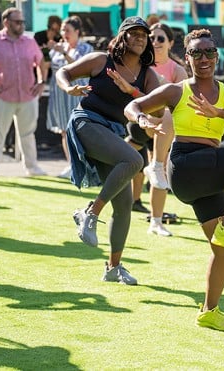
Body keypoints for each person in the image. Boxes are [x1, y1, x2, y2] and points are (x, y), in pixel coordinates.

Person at [124, 28, 224, 331]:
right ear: (186, 58)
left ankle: (210, 311)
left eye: (209, 52)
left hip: (205, 175)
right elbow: (132, 106)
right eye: (196, 53)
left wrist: (221, 113)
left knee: (222, 250)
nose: (204, 58)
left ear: (217, 56)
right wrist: (142, 119)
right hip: (186, 164)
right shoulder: (177, 90)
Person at [56, 16, 160, 285]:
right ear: (122, 36)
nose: (140, 38)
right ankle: (90, 212)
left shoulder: (148, 75)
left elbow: (160, 109)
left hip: (112, 132)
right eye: (134, 33)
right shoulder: (102, 60)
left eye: (144, 35)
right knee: (134, 159)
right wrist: (69, 88)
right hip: (86, 122)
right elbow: (63, 72)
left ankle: (113, 267)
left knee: (124, 203)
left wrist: (133, 91)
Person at [0, 8, 48, 177]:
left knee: (28, 134)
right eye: (18, 22)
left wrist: (41, 82)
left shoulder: (29, 41)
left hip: (27, 95)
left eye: (23, 22)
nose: (21, 25)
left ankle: (32, 167)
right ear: (6, 22)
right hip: (1, 96)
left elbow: (41, 62)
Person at [143, 22, 188, 236]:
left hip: (164, 128)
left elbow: (182, 104)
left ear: (170, 43)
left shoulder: (178, 71)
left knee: (158, 170)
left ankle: (156, 221)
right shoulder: (142, 66)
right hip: (140, 122)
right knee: (150, 165)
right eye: (152, 38)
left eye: (160, 38)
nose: (155, 42)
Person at [46, 16, 93, 179]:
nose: (64, 33)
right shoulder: (58, 48)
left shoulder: (85, 48)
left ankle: (86, 166)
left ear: (77, 32)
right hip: (60, 96)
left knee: (80, 131)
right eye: (63, 30)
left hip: (78, 95)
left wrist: (64, 53)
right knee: (65, 131)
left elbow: (80, 68)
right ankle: (71, 165)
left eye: (68, 30)